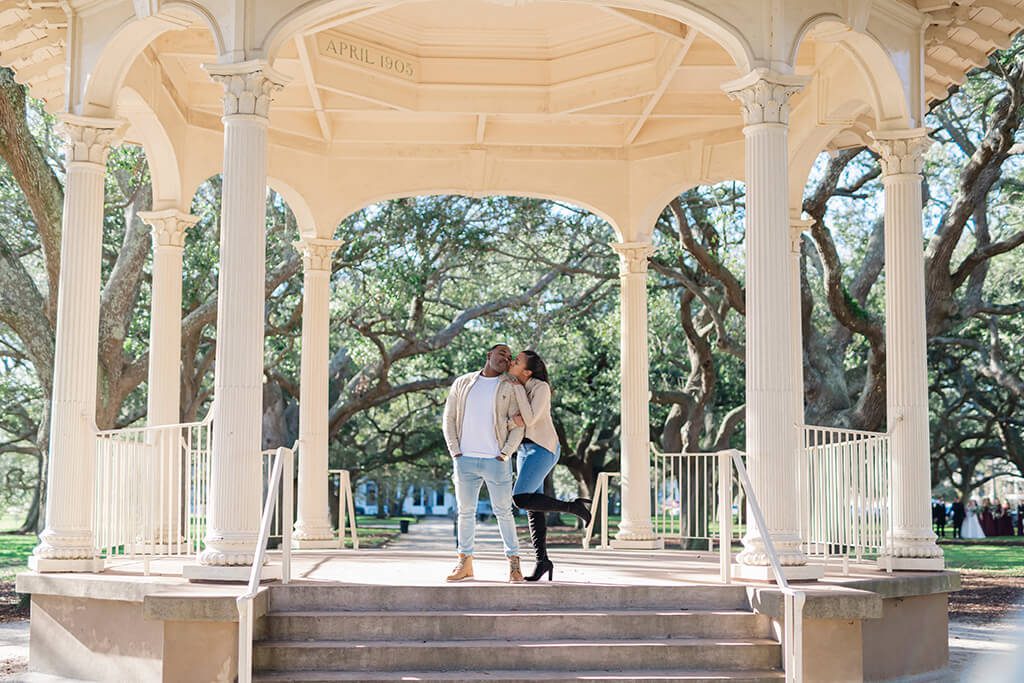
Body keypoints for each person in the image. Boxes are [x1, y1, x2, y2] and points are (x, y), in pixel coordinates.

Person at [441, 343, 525, 583]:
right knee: (465, 513)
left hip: (496, 461)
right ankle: (464, 564)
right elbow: (449, 417)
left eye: (509, 357)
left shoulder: (510, 386)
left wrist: (506, 453)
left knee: (504, 513)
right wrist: (455, 451)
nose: (506, 359)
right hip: (465, 459)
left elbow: (519, 424)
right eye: (502, 354)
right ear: (489, 355)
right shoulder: (463, 382)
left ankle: (514, 565)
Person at [506, 350, 591, 582]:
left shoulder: (540, 388)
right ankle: (543, 561)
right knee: (535, 509)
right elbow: (521, 417)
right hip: (525, 450)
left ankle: (574, 507)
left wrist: (515, 396)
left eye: (516, 361)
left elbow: (530, 419)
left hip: (543, 449)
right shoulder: (521, 385)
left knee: (520, 498)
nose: (511, 362)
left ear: (527, 371)